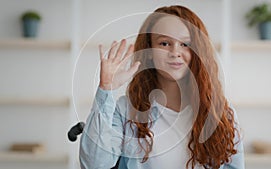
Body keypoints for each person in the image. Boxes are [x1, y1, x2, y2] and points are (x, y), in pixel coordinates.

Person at [80, 5, 244, 169]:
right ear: (149, 50)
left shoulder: (221, 114)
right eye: (164, 43)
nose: (175, 52)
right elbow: (94, 164)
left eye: (185, 44)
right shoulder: (125, 110)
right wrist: (106, 88)